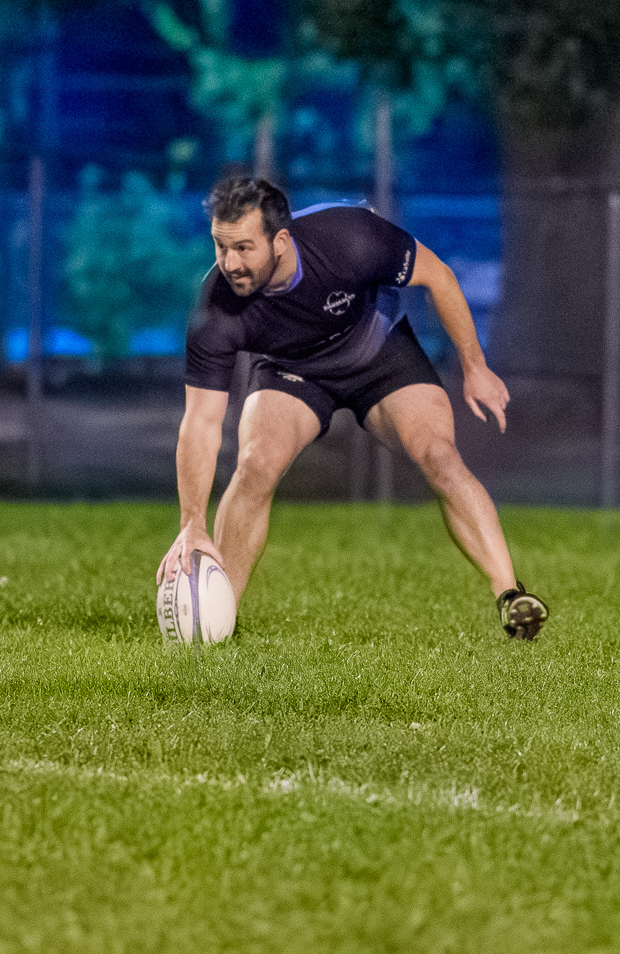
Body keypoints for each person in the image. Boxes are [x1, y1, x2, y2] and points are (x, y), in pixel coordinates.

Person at [155, 174, 548, 640]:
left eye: (243, 248)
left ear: (280, 241)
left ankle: (510, 596)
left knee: (440, 456)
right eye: (221, 247)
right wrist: (191, 523)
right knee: (255, 464)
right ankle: (219, 619)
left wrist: (475, 366)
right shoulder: (216, 309)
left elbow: (437, 275)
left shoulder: (350, 238)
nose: (229, 263)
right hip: (290, 370)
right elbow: (200, 423)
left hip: (377, 354)